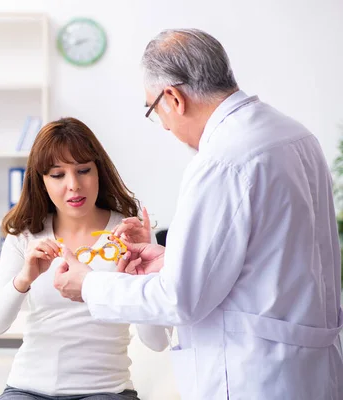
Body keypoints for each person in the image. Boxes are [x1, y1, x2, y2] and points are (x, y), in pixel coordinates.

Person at [53, 29, 343, 400]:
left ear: (173, 98)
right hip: (308, 371)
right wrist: (174, 260)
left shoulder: (222, 160)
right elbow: (268, 259)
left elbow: (180, 299)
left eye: (155, 112)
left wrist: (89, 284)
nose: (168, 128)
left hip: (253, 376)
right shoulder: (292, 134)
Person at [0, 117, 170, 400]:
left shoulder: (130, 235)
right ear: (41, 181)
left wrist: (139, 282)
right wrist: (24, 279)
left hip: (104, 391)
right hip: (27, 388)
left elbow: (156, 343)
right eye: (57, 175)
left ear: (99, 172)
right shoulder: (25, 236)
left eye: (83, 170)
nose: (74, 185)